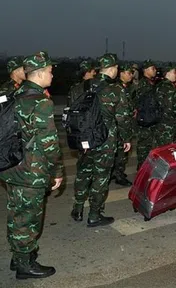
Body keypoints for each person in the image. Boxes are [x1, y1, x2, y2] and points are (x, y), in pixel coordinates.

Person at [0, 51, 64, 279]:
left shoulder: (13, 94)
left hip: (10, 166)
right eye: (49, 71)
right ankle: (25, 266)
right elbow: (49, 144)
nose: (52, 75)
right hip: (31, 172)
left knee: (16, 213)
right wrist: (57, 171)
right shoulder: (40, 102)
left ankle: (17, 257)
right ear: (38, 74)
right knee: (29, 218)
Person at [71, 53, 133, 227]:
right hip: (105, 140)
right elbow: (122, 118)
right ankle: (94, 214)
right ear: (113, 69)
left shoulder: (79, 87)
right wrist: (126, 138)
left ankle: (77, 208)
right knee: (101, 177)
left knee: (83, 173)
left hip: (84, 139)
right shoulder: (116, 90)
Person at [111, 62, 136, 186]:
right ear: (121, 73)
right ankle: (118, 175)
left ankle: (116, 172)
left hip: (125, 123)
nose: (131, 75)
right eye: (128, 72)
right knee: (121, 153)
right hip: (119, 126)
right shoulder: (118, 87)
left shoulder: (125, 87)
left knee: (121, 152)